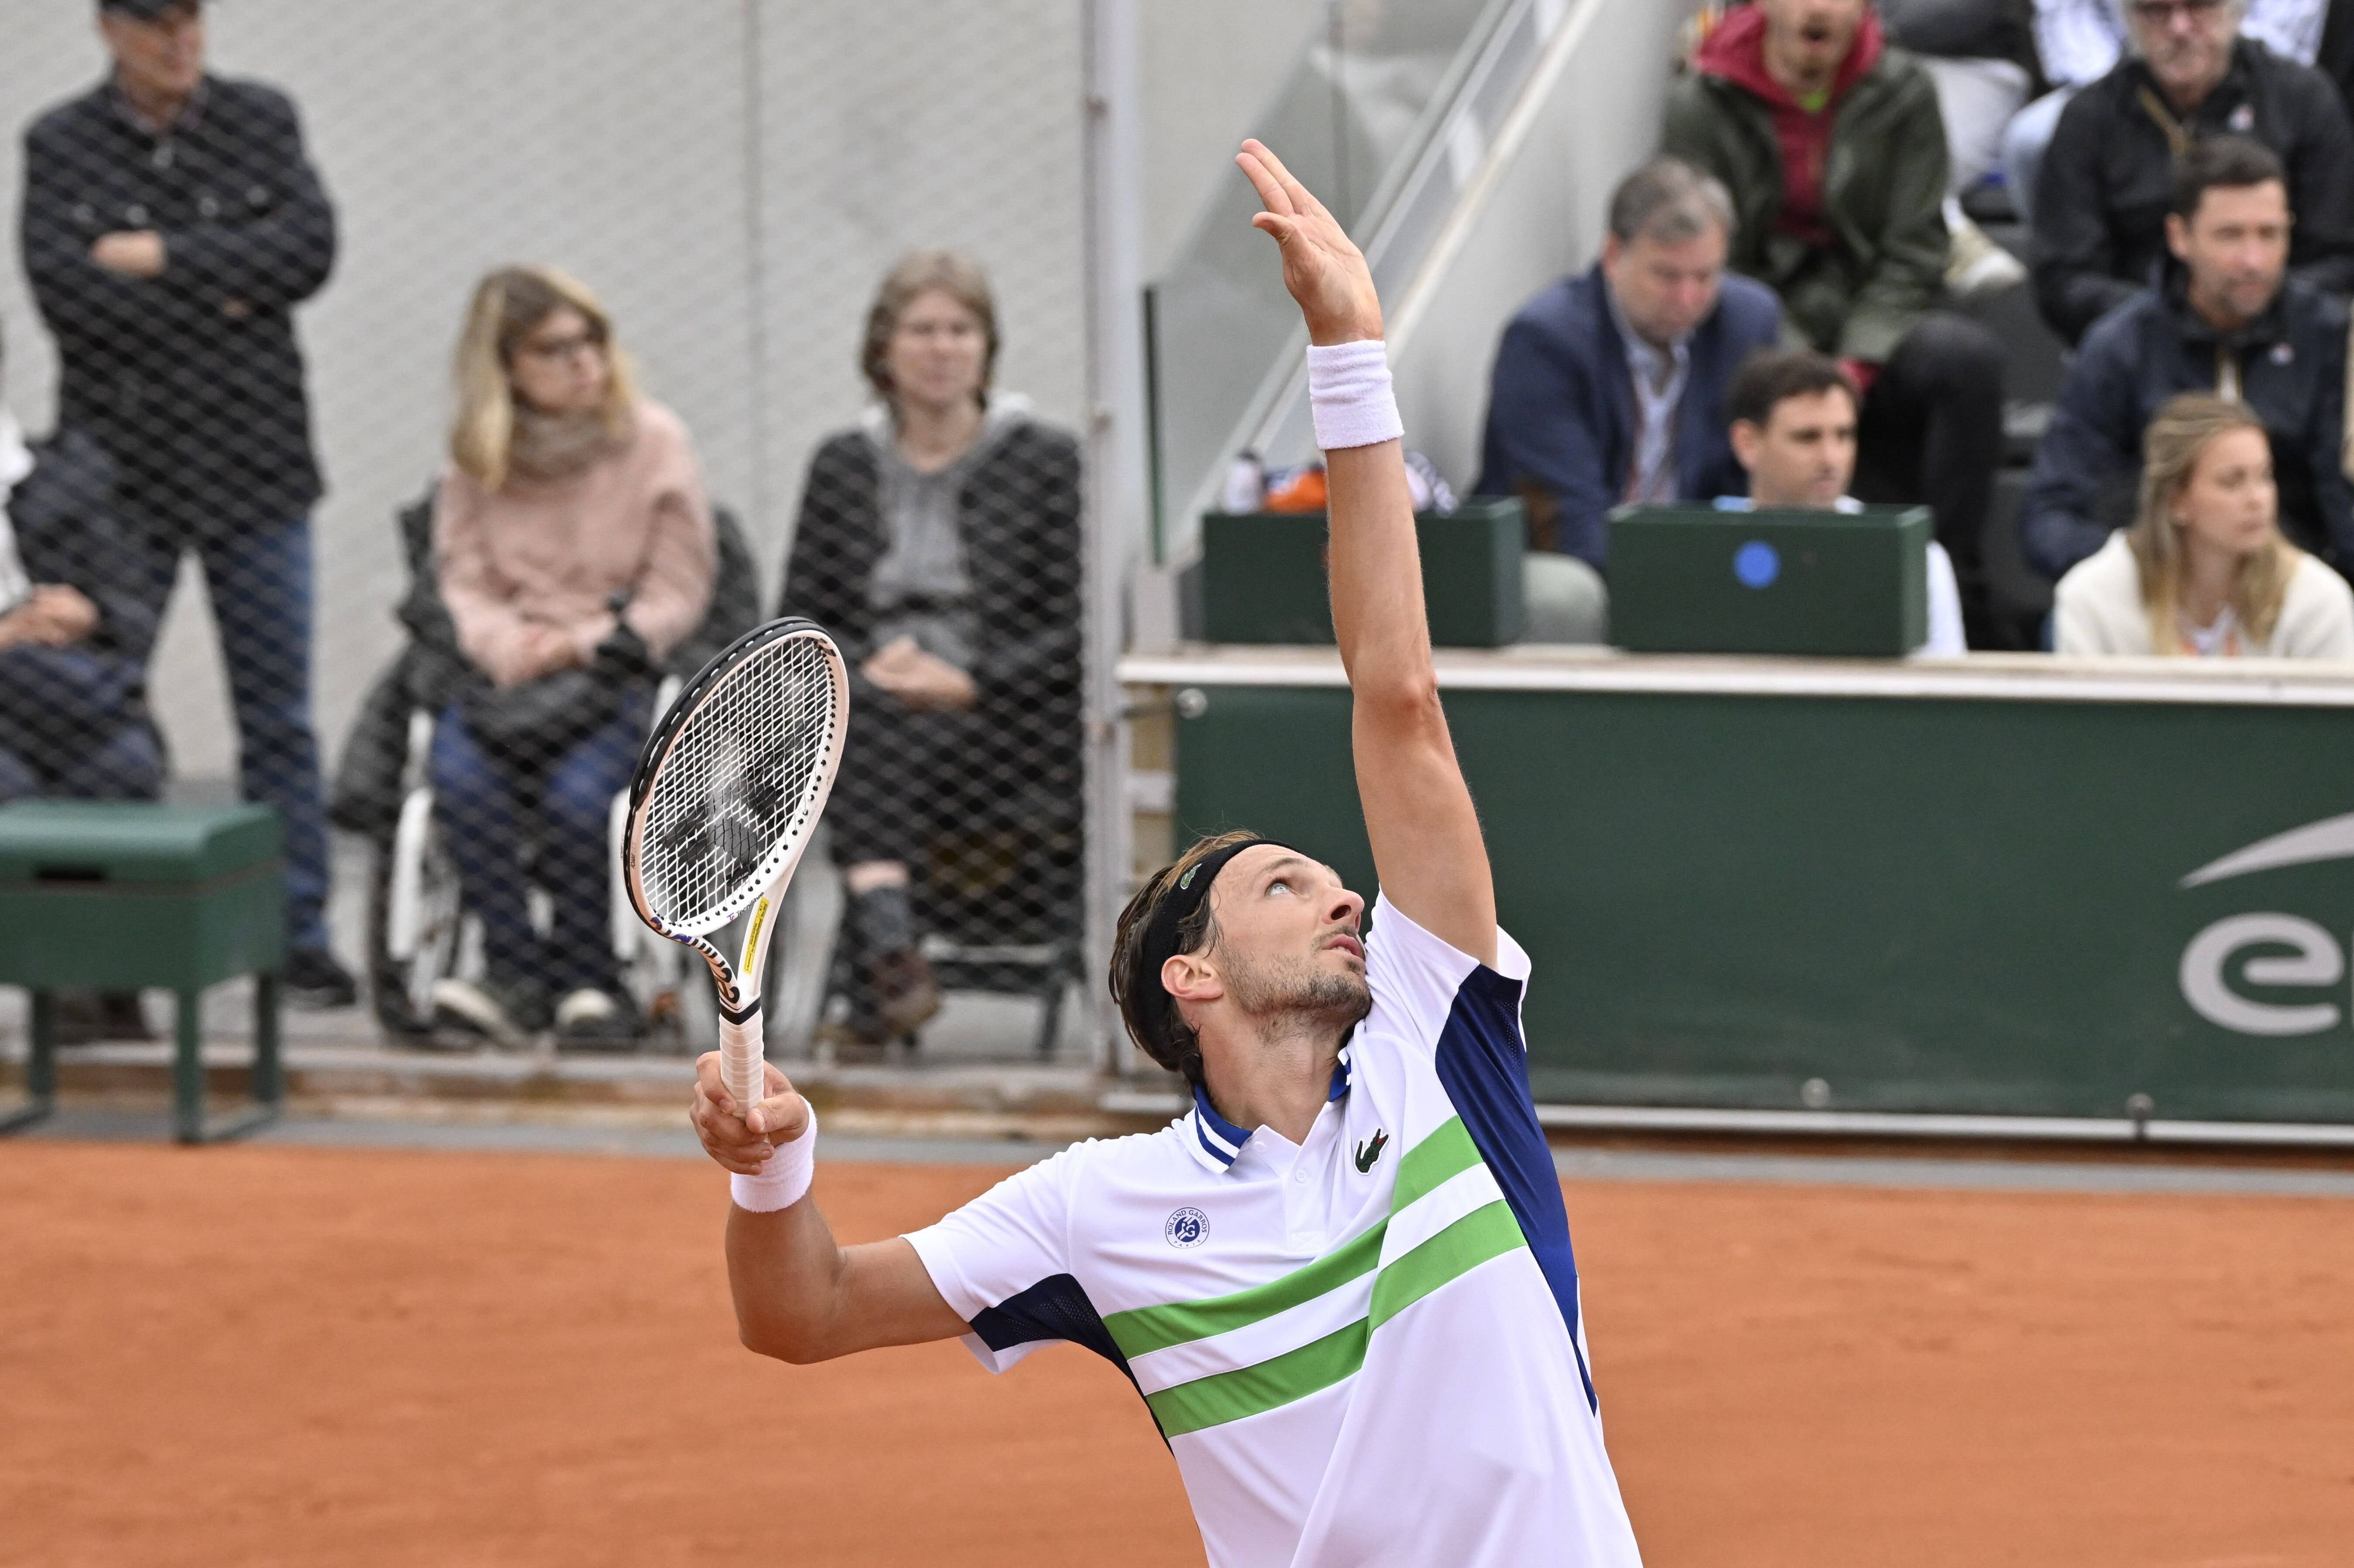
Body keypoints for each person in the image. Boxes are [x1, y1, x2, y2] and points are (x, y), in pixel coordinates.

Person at [690, 141, 1644, 1567]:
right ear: (1191, 976)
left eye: (1334, 877)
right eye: (1287, 882)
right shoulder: (1098, 1206)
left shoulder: (1437, 1041)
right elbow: (803, 1311)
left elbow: (1396, 693)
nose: (1345, 893)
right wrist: (769, 1171)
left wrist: (1349, 354)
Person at [18, 0, 351, 1006]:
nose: (181, 45)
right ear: (111, 30)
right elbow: (65, 296)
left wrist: (157, 257)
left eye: (193, 22)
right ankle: (106, 957)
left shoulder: (261, 118)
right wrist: (229, 285)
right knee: (101, 711)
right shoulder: (61, 142)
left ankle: (295, 939)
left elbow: (308, 254)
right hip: (119, 485)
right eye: (157, 26)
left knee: (279, 719)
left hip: (257, 469)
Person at [777, 251, 1083, 1050]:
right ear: (884, 348)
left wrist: (971, 681)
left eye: (960, 329)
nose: (942, 348)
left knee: (853, 737)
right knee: (861, 717)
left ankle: (881, 952)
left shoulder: (1044, 460)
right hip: (874, 701)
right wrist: (865, 667)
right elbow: (799, 618)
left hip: (1003, 722)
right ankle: (890, 953)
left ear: (987, 347)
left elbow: (1078, 623)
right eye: (921, 330)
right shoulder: (843, 463)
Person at [427, 267, 716, 1047]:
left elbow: (678, 589)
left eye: (592, 340)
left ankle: (593, 980)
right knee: (457, 779)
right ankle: (512, 974)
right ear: (506, 366)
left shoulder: (655, 441)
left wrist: (585, 641)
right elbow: (463, 582)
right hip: (506, 678)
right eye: (555, 349)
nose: (584, 361)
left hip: (613, 673)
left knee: (581, 800)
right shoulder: (476, 461)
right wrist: (510, 646)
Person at [1667, 0, 2008, 648]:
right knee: (1732, 336)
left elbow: (1915, 246)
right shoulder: (1702, 97)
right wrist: (1803, 368)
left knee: (1967, 362)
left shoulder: (1905, 89)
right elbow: (1715, 257)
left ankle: (1949, 578)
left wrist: (1853, 360)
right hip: (1761, 321)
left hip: (1873, 317)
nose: (1818, 8)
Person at [1474, 156, 1780, 642]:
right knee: (1570, 596)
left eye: (1705, 277)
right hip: (1567, 561)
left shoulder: (1747, 322)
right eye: (1667, 276)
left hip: (1698, 557)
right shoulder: (1545, 342)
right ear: (1614, 257)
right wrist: (1679, 602)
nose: (1687, 298)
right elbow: (1568, 518)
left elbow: (1746, 482)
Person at [2020, 136, 2354, 580]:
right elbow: (2050, 517)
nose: (2253, 259)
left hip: (2292, 592)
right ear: (2180, 236)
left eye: (2270, 234)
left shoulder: (2328, 336)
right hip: (2150, 586)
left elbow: (2344, 506)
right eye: (2230, 235)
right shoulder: (2121, 345)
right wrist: (2154, 570)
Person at [0, 325, 166, 1044]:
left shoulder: (61, 473)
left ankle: (115, 978)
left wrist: (86, 610)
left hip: (58, 699)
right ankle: (55, 976)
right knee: (8, 785)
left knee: (123, 767)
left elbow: (131, 608)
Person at [2030, 0, 2354, 347]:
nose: (2180, 28)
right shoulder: (2090, 119)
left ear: (2236, 11)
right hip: (2139, 347)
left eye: (2200, 7)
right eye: (2156, 11)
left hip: (2284, 342)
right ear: (2128, 19)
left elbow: (2338, 257)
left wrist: (2248, 309)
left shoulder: (2301, 101)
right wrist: (2171, 317)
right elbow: (2064, 278)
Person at [2056, 392, 2354, 652]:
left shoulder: (2317, 600)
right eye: (2231, 481)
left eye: (2264, 476)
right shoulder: (2092, 598)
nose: (2258, 499)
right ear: (2176, 501)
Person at [1716, 348, 1969, 654]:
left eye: (1844, 435)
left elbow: (1941, 689)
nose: (1831, 459)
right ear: (1747, 442)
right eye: (1807, 437)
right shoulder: (1702, 553)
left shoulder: (1915, 558)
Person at [2006, 0, 2333, 224]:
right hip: (2120, 67)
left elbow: (2288, 27)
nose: (2179, 26)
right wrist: (2121, 87)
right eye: (2162, 7)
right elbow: (2066, 13)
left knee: (2308, 108)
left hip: (2250, 73)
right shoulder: (2103, 100)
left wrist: (2212, 54)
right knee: (2032, 138)